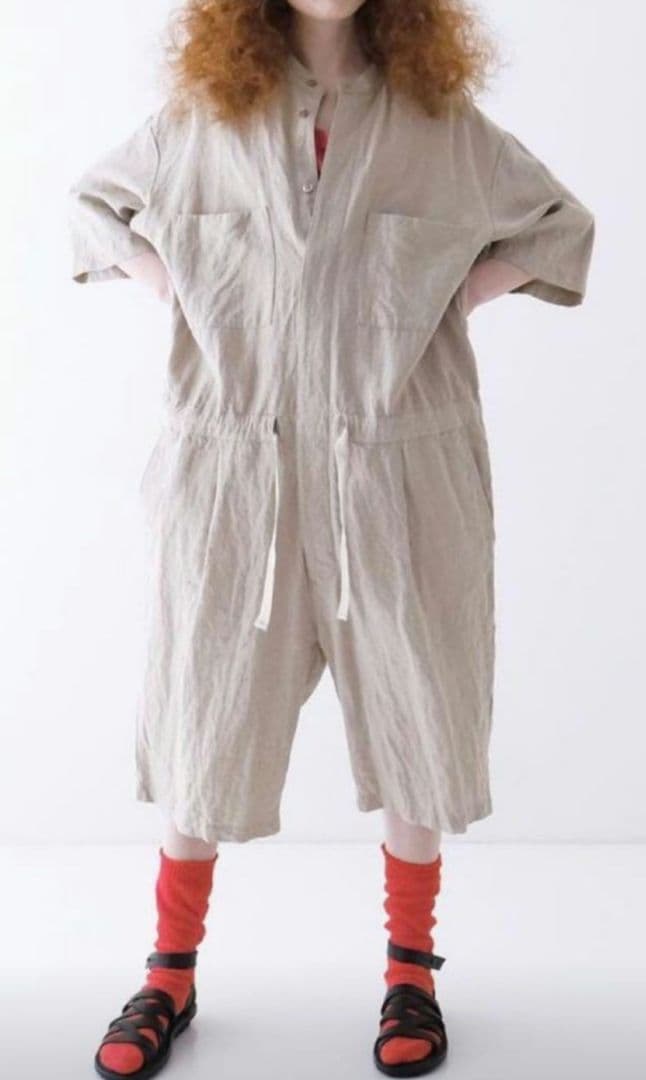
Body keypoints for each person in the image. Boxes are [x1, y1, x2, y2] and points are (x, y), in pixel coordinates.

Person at [67, 2, 595, 1076]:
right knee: (204, 718)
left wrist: (454, 293)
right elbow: (93, 208)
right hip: (233, 475)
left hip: (402, 472)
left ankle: (411, 976)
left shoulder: (440, 123)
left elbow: (557, 222)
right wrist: (176, 285)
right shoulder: (202, 118)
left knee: (417, 716)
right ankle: (169, 974)